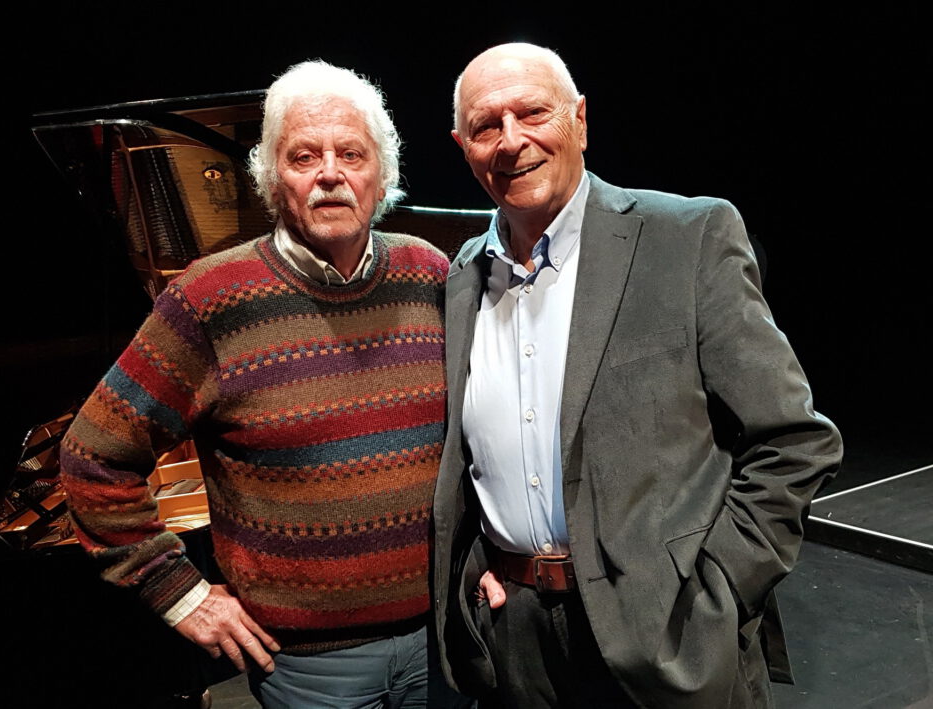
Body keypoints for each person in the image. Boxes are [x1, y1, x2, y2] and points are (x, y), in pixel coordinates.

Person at [432, 43, 843, 708]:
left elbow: (796, 439)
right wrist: (479, 574)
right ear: (463, 146)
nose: (512, 141)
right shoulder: (460, 279)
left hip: (666, 639)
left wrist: (718, 589)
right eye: (486, 125)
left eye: (534, 112)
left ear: (581, 120)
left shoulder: (686, 237)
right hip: (516, 643)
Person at [61, 60, 449, 708]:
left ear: (382, 174)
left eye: (351, 154)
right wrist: (180, 593)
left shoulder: (429, 272)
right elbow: (91, 457)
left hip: (442, 646)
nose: (330, 173)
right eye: (303, 156)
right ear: (271, 178)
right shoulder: (210, 298)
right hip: (310, 671)